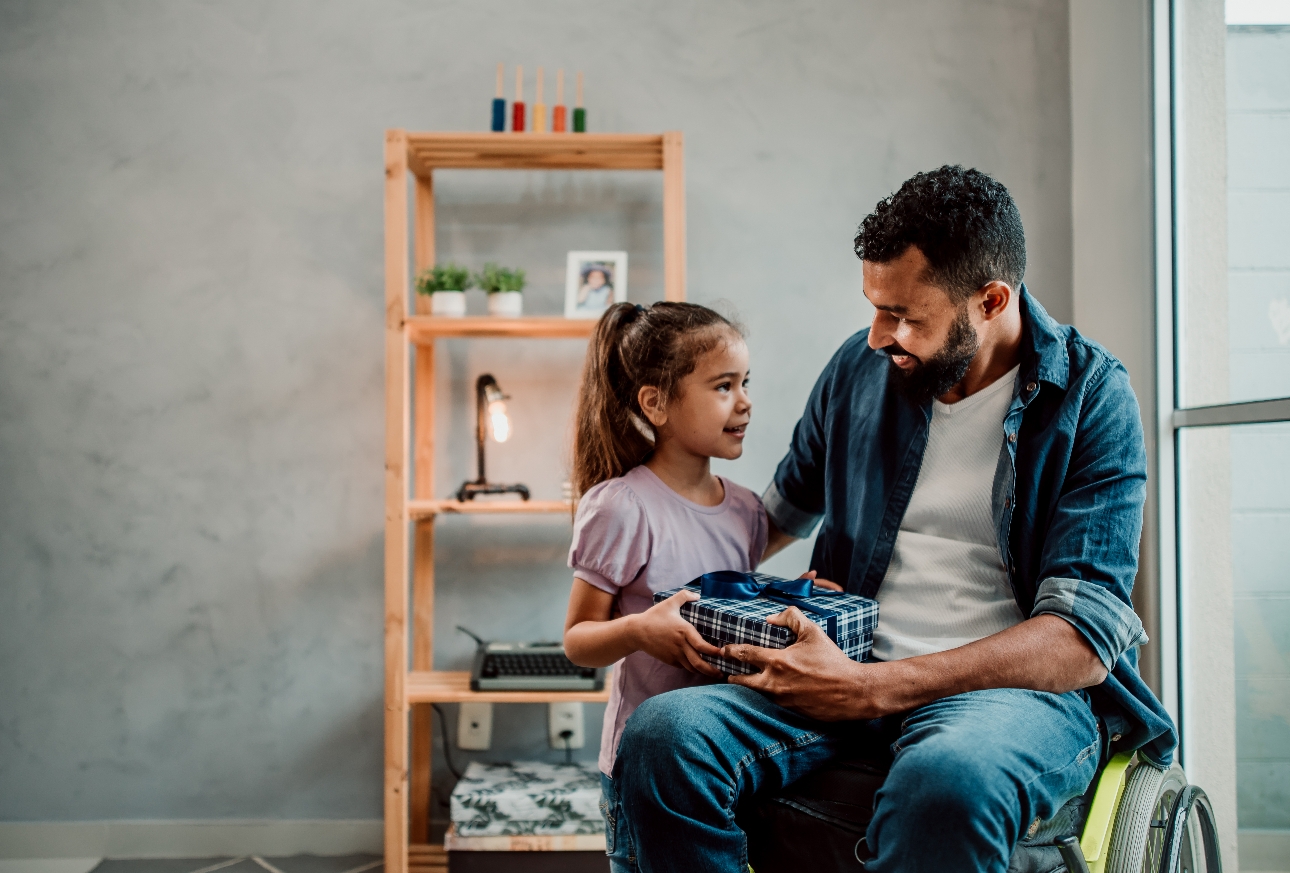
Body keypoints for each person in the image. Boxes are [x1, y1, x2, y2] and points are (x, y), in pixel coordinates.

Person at [609, 167, 1177, 872]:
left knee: (945, 785)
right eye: (876, 307)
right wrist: (642, 559)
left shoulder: (1092, 399)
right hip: (842, 666)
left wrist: (872, 686)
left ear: (991, 299)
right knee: (664, 735)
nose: (880, 335)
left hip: (1003, 696)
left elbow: (1078, 641)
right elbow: (769, 516)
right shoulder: (860, 367)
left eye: (907, 315)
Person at [561, 301, 780, 872]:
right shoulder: (622, 507)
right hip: (642, 773)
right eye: (723, 386)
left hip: (718, 765)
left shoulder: (747, 511)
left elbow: (736, 609)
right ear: (656, 403)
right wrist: (638, 630)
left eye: (745, 383)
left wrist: (791, 597)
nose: (745, 402)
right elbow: (578, 640)